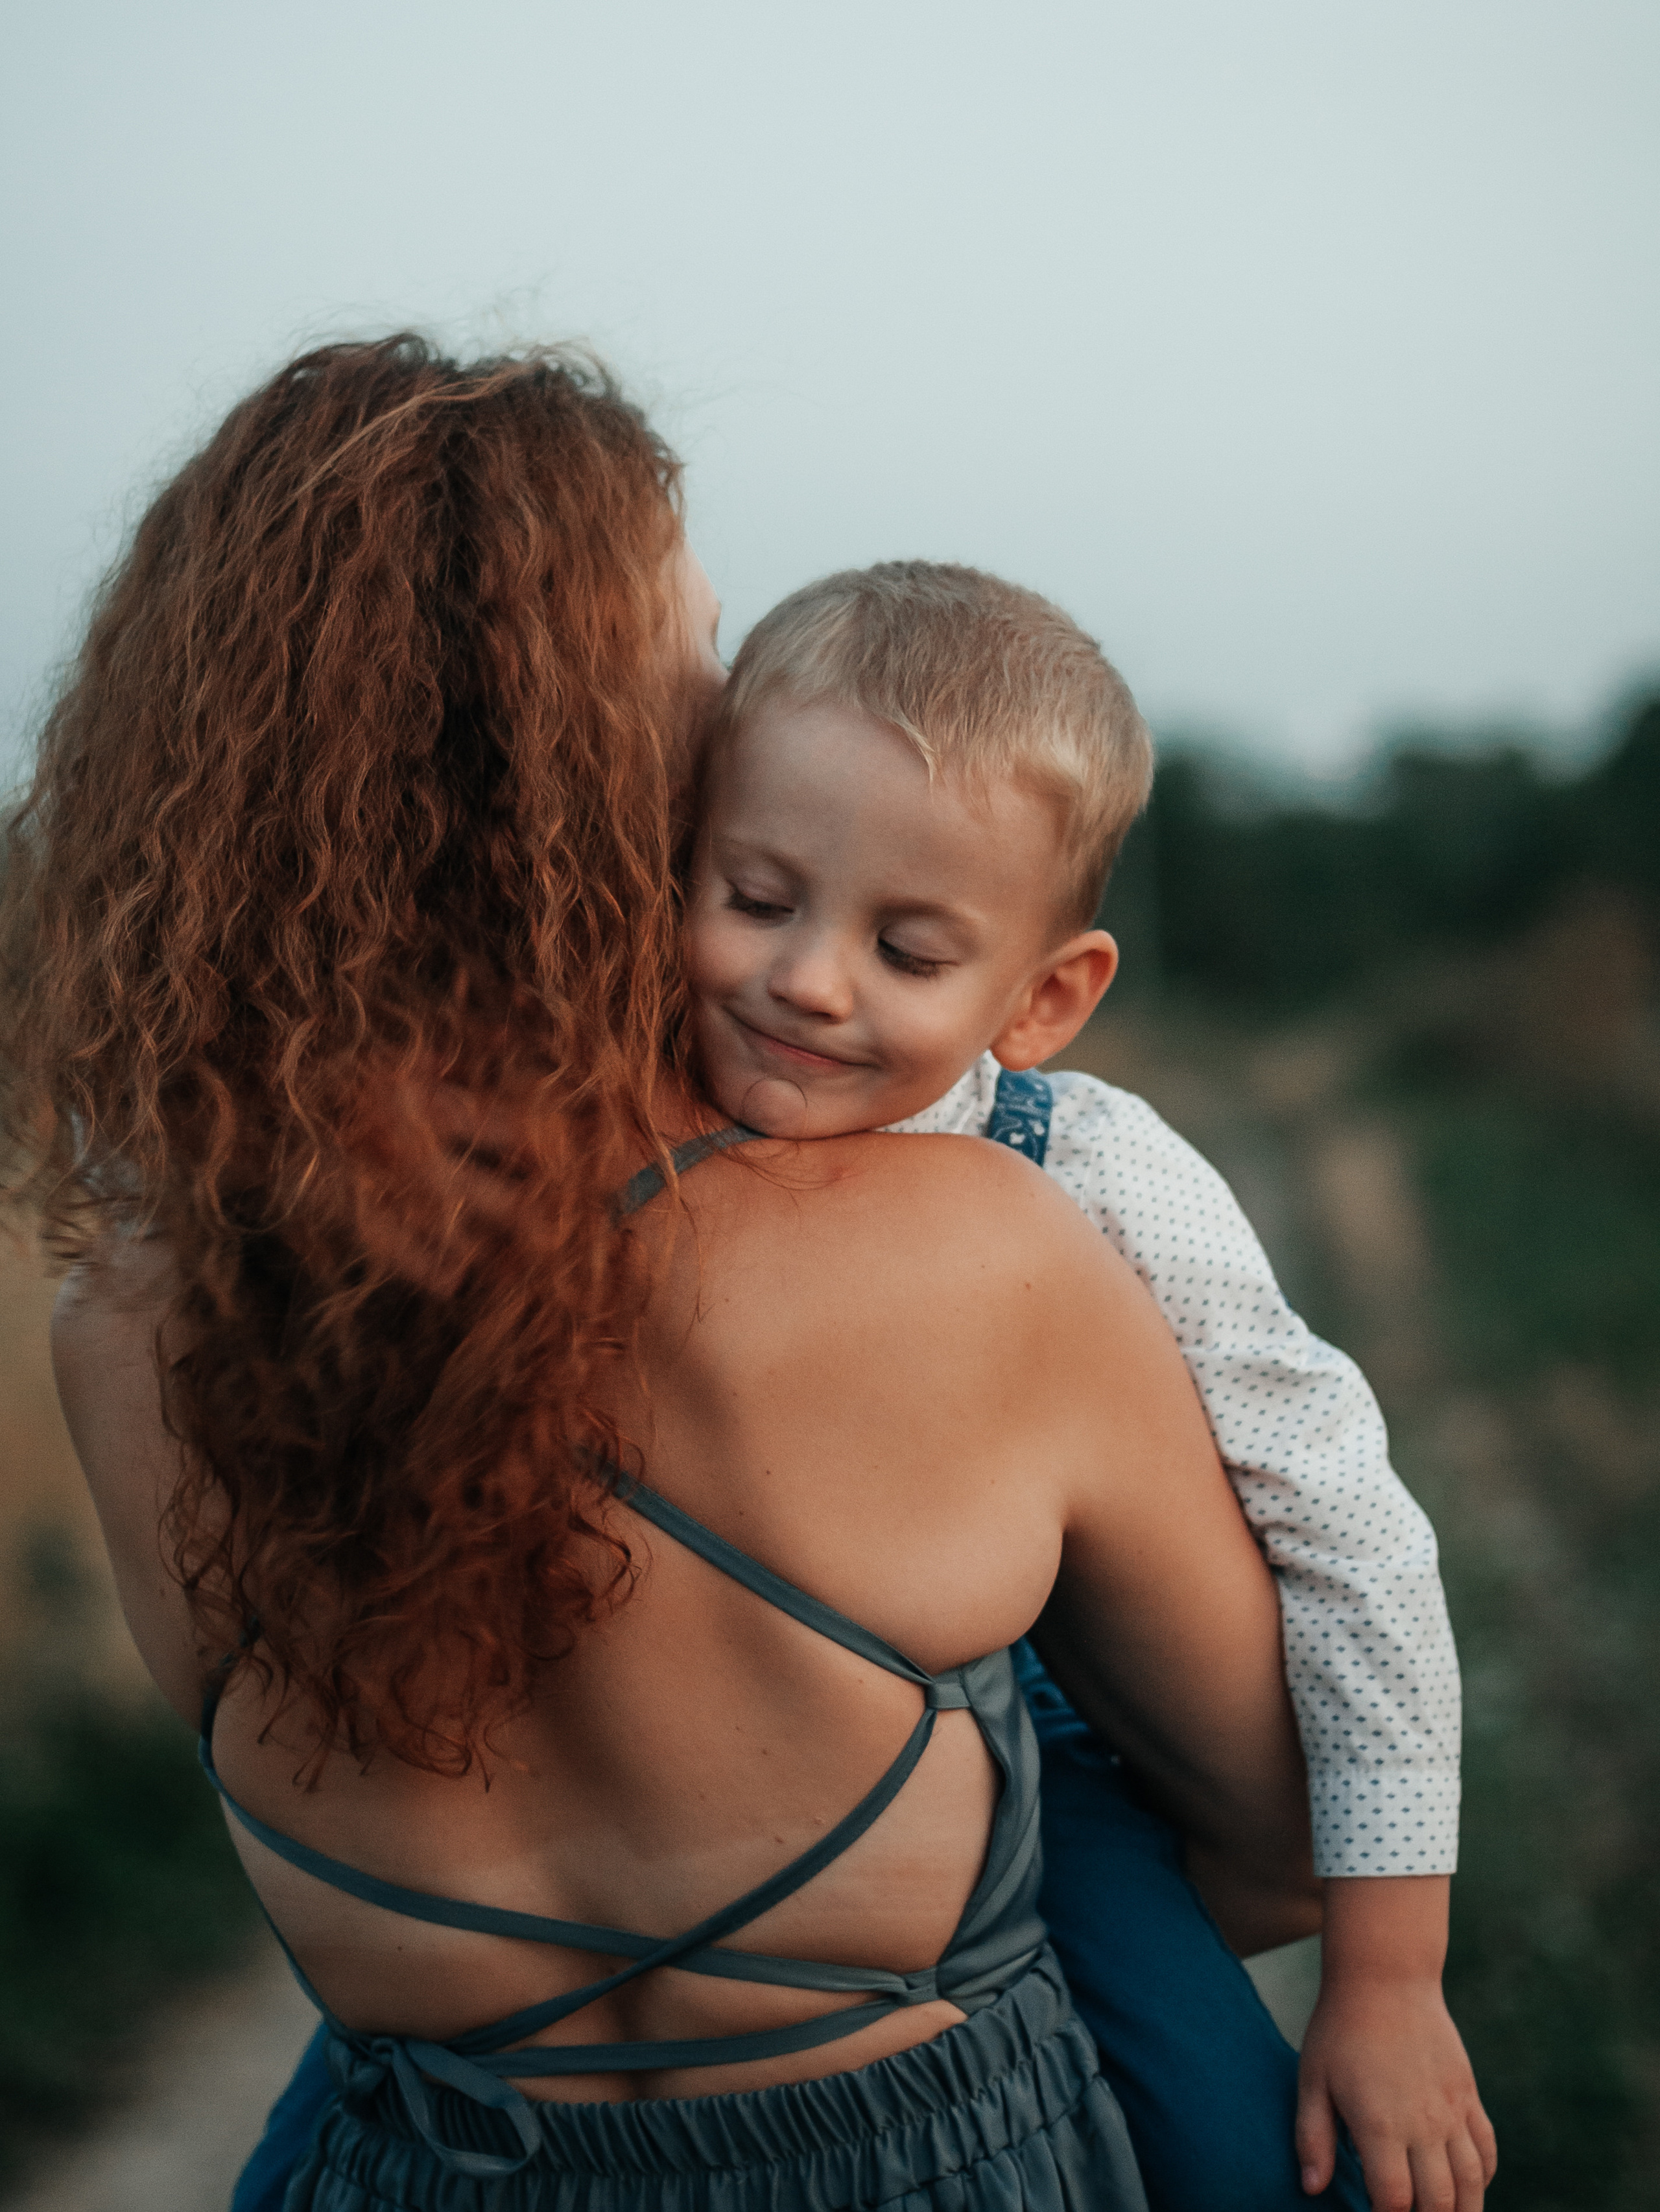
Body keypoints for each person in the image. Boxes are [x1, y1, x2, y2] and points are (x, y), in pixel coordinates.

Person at [3, 337, 1316, 2212]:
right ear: (582, 764)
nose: (733, 704)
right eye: (695, 657)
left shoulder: (127, 1330)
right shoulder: (976, 1245)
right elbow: (1273, 1843)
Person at [676, 562, 1498, 2211]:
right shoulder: (626, 1104)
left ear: (1045, 996)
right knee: (384, 2090)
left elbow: (1345, 1518)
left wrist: (1389, 1974)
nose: (808, 980)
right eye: (756, 898)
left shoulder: (1091, 1169)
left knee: (1248, 2150)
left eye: (906, 948)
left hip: (1030, 1740)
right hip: (687, 1735)